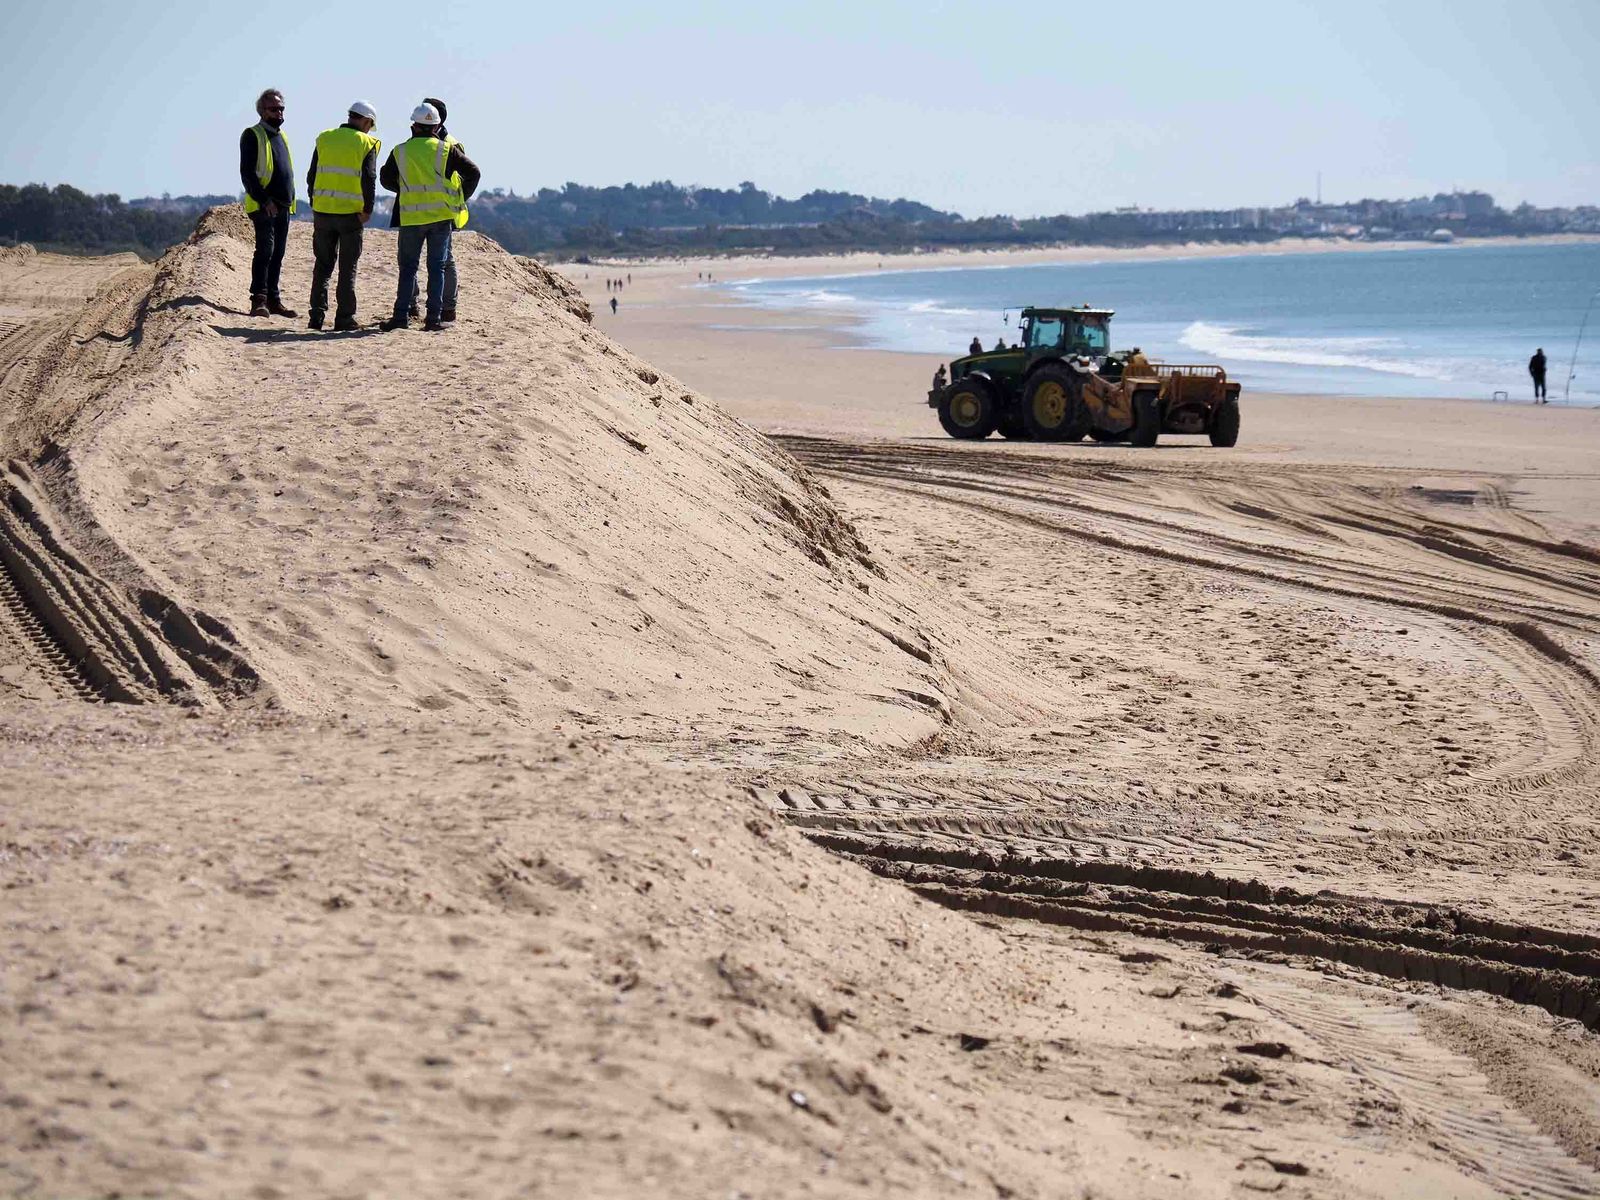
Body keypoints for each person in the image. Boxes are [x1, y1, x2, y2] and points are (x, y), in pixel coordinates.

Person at [379, 104, 480, 332]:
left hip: (411, 217)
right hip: (440, 217)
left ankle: (400, 317)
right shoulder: (446, 150)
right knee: (437, 268)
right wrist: (460, 195)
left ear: (413, 126)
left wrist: (404, 188)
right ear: (436, 126)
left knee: (408, 268)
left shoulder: (400, 151)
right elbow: (474, 172)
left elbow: (385, 179)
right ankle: (433, 319)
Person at [305, 102, 380, 331]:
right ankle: (344, 318)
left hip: (323, 211)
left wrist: (314, 201)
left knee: (323, 265)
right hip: (350, 215)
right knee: (348, 268)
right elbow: (369, 178)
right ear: (367, 121)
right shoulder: (367, 142)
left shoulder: (324, 138)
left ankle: (316, 316)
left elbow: (311, 175)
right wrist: (368, 209)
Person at [239, 88, 297, 318]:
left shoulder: (281, 136)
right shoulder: (252, 134)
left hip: (283, 205)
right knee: (265, 251)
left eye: (281, 108)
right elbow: (248, 173)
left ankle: (274, 299)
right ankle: (259, 300)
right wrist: (264, 201)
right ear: (262, 111)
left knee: (278, 253)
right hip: (264, 206)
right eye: (274, 109)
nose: (279, 112)